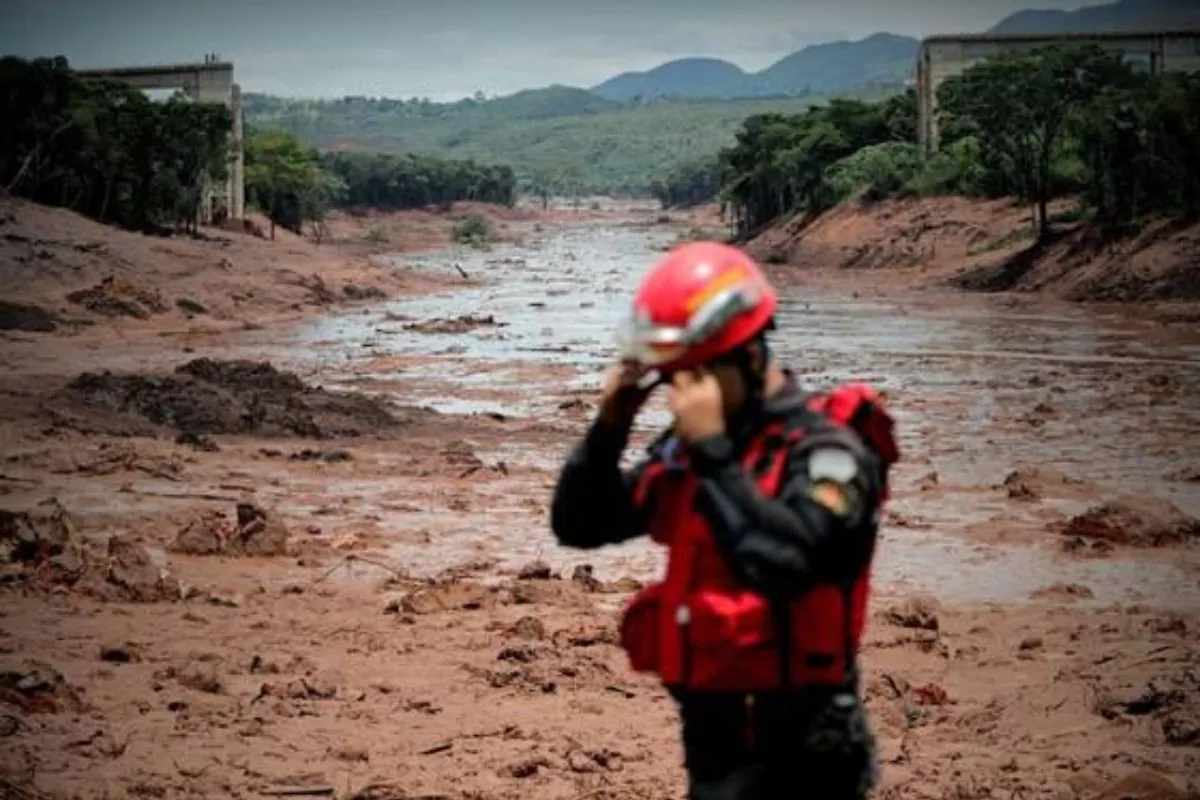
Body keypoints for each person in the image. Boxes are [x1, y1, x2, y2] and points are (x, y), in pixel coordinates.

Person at [549, 241, 900, 800]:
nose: (679, 394)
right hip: (714, 740)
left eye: (694, 374)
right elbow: (581, 524)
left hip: (805, 751)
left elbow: (789, 563)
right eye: (672, 379)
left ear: (748, 354)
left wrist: (714, 453)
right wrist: (609, 427)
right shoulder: (691, 451)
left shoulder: (829, 451)